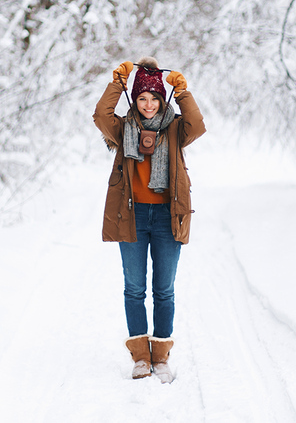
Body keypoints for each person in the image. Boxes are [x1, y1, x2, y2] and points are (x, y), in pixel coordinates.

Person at [93, 57, 206, 382]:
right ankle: (140, 357)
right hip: (132, 215)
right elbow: (101, 115)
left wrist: (183, 93)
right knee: (134, 288)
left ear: (161, 99)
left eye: (153, 98)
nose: (147, 104)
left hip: (167, 217)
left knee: (164, 289)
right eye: (141, 98)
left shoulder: (175, 129)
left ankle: (162, 355)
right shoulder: (122, 128)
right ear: (135, 99)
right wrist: (117, 83)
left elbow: (197, 125)